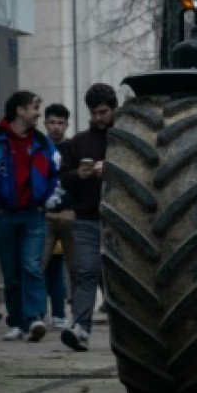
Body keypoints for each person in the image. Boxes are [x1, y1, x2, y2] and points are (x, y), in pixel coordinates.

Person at [0, 91, 59, 341]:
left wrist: (52, 196)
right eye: (34, 108)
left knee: (31, 266)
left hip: (34, 214)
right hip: (3, 216)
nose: (38, 113)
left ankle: (34, 318)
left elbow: (56, 172)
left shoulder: (43, 143)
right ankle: (16, 322)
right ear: (19, 111)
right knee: (11, 273)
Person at [60, 83, 117, 352]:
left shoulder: (125, 138)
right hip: (87, 219)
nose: (97, 118)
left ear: (113, 109)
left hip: (120, 223)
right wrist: (77, 176)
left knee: (117, 280)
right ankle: (80, 328)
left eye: (102, 112)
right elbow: (60, 179)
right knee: (86, 273)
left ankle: (128, 334)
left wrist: (113, 169)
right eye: (93, 113)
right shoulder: (78, 142)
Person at [40, 103, 74, 329]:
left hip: (67, 215)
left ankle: (60, 314)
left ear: (66, 125)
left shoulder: (72, 149)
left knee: (62, 266)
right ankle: (39, 313)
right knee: (41, 265)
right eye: (52, 122)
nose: (55, 127)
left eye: (60, 123)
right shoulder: (40, 148)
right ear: (45, 124)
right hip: (43, 216)